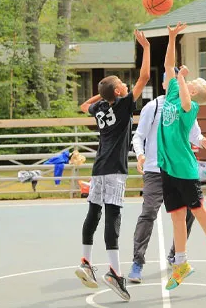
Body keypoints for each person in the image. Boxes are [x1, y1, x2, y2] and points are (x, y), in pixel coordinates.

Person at [72, 30, 152, 301]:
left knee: (93, 213)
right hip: (115, 169)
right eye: (122, 85)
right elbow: (144, 77)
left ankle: (85, 261)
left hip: (98, 168)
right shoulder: (122, 106)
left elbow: (85, 105)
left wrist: (103, 96)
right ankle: (115, 273)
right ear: (119, 92)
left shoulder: (102, 108)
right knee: (113, 217)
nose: (127, 86)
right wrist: (146, 48)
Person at [156, 22, 206, 291]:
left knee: (197, 209)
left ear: (197, 89)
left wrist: (180, 78)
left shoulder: (192, 104)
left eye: (195, 81)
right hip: (167, 166)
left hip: (185, 168)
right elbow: (168, 66)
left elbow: (186, 103)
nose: (190, 79)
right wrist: (172, 37)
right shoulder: (174, 90)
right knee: (177, 216)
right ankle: (181, 263)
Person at [128, 69, 206, 284]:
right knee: (149, 212)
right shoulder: (154, 106)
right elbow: (138, 136)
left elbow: (195, 133)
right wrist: (140, 155)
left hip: (177, 169)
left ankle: (177, 256)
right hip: (155, 169)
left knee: (189, 214)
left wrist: (205, 142)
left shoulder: (185, 104)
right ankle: (137, 262)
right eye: (171, 77)